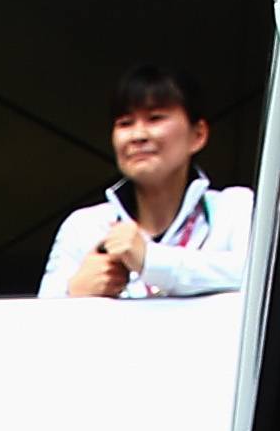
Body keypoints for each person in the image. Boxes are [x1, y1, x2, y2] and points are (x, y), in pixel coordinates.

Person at [43, 65, 245, 302]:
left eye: (155, 118)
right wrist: (74, 293)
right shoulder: (83, 226)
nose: (138, 135)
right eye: (125, 123)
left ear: (198, 135)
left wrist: (150, 260)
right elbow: (38, 320)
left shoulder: (234, 208)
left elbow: (257, 275)